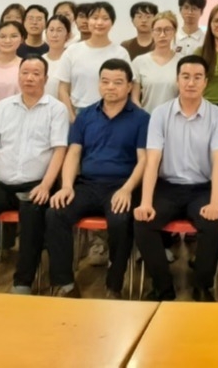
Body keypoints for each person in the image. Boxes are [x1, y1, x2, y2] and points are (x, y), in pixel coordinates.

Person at [0, 55, 69, 293]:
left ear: (45, 78)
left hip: (36, 184)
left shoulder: (56, 109)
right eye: (25, 73)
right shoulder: (2, 107)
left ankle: (23, 282)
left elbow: (60, 150)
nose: (29, 78)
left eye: (36, 74)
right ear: (18, 76)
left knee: (33, 217)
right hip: (1, 182)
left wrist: (46, 185)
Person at [45, 59, 149, 298]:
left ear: (129, 86)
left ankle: (114, 284)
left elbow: (144, 160)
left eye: (117, 82)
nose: (110, 87)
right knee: (55, 213)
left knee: (121, 220)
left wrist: (127, 189)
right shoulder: (85, 116)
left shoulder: (142, 118)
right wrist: (67, 186)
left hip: (121, 186)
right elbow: (73, 153)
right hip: (88, 184)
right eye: (105, 81)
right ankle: (65, 284)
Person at [134, 55, 218, 301]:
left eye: (197, 77)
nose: (191, 83)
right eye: (185, 77)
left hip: (202, 188)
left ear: (206, 82)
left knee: (213, 223)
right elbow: (152, 160)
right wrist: (146, 202)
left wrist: (215, 202)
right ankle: (162, 287)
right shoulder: (160, 113)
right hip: (167, 187)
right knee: (143, 222)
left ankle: (202, 286)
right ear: (177, 80)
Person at [57, 2, 132, 122]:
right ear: (88, 21)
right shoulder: (72, 51)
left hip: (113, 113)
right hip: (79, 112)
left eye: (105, 18)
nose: (99, 23)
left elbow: (128, 87)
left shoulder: (120, 53)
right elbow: (63, 88)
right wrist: (72, 117)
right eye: (95, 18)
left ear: (112, 23)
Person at [132, 11, 180, 112]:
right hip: (147, 117)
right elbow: (134, 98)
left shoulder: (182, 62)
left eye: (167, 30)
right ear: (152, 32)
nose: (162, 35)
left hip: (174, 117)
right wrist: (143, 116)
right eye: (158, 30)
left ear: (174, 32)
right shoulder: (139, 62)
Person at [44, 14, 72, 101]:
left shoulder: (71, 60)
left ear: (68, 35)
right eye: (51, 30)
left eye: (59, 30)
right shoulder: (40, 60)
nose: (54, 35)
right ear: (46, 33)